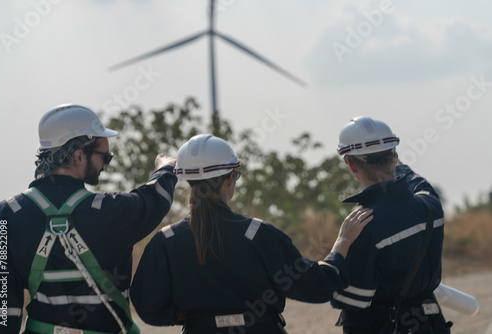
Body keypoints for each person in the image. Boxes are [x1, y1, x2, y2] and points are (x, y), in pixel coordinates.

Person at [130, 134, 373, 334]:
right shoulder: (259, 235)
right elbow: (316, 286)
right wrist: (341, 244)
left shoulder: (166, 240)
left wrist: (196, 315)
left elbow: (148, 307)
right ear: (229, 179)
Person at [0, 104, 177, 334]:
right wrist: (166, 167)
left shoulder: (5, 216)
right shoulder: (113, 212)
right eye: (105, 156)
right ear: (78, 155)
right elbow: (156, 197)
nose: (106, 164)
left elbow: (1, 307)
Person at [332, 116, 451, 333]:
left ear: (350, 164)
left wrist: (341, 245)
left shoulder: (362, 225)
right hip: (431, 324)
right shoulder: (430, 204)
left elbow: (352, 301)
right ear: (395, 157)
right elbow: (414, 180)